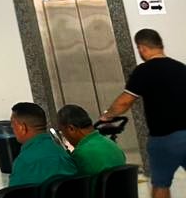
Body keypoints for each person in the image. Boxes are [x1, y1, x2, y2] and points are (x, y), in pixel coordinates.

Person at [100, 28, 186, 197]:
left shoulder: (144, 70)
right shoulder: (181, 68)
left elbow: (124, 102)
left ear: (142, 48)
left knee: (161, 184)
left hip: (164, 139)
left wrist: (107, 114)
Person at [8, 101, 78, 187]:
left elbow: (13, 192)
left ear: (22, 128)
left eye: (13, 127)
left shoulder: (24, 162)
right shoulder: (63, 154)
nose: (13, 131)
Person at [55, 104, 126, 176]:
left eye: (62, 132)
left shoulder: (80, 155)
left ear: (71, 129)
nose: (64, 137)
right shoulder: (111, 144)